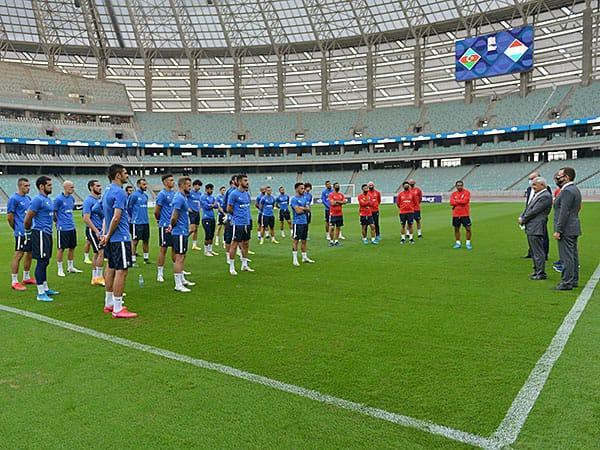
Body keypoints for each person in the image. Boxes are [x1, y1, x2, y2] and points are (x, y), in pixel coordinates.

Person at [100, 164, 137, 318]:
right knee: (122, 270)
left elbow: (105, 216)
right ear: (118, 175)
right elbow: (116, 217)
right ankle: (117, 307)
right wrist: (108, 235)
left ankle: (109, 302)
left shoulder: (107, 191)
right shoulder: (120, 192)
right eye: (125, 173)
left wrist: (104, 234)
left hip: (111, 238)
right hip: (120, 237)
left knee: (111, 268)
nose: (127, 175)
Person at [24, 176, 59, 302]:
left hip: (47, 233)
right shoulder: (37, 200)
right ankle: (40, 293)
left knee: (46, 261)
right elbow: (28, 218)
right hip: (40, 233)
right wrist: (28, 232)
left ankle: (45, 288)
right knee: (41, 261)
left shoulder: (48, 199)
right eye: (49, 185)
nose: (51, 187)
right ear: (41, 186)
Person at [553, 167, 582, 291]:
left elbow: (564, 212)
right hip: (573, 226)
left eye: (560, 175)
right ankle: (573, 280)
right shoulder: (574, 189)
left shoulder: (567, 191)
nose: (557, 177)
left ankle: (566, 282)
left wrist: (558, 230)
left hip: (566, 228)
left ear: (567, 177)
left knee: (567, 256)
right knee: (572, 255)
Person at [518, 177, 552, 280]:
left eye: (534, 185)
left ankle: (540, 273)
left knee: (537, 251)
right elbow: (529, 208)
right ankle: (537, 271)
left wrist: (523, 219)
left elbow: (534, 211)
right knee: (534, 250)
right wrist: (522, 216)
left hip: (536, 226)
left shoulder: (545, 196)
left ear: (542, 185)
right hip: (532, 225)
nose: (533, 187)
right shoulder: (539, 195)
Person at [7, 177, 36, 290]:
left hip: (30, 231)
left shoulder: (28, 198)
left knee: (30, 253)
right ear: (20, 186)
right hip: (21, 232)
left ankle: (26, 277)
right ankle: (14, 281)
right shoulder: (13, 199)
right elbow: (10, 217)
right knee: (19, 254)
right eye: (26, 186)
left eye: (29, 186)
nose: (28, 188)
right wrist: (16, 228)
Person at [171, 176, 196, 292]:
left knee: (182, 256)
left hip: (183, 231)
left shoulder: (183, 197)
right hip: (179, 231)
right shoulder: (179, 198)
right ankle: (178, 284)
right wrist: (173, 226)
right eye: (188, 185)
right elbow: (174, 217)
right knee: (179, 257)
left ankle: (182, 279)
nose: (190, 188)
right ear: (182, 185)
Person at [227, 174, 254, 275]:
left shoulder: (246, 194)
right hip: (237, 223)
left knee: (246, 244)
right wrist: (237, 216)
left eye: (247, 180)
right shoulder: (233, 194)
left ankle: (244, 265)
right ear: (239, 182)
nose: (247, 182)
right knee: (234, 244)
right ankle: (232, 267)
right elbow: (229, 208)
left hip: (246, 222)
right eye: (245, 180)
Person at [54, 180, 82, 277]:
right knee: (61, 248)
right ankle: (60, 269)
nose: (73, 189)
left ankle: (70, 267)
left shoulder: (72, 199)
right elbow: (54, 212)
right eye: (71, 187)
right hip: (63, 228)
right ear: (65, 187)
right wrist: (57, 223)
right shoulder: (58, 199)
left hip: (71, 226)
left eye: (73, 187)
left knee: (72, 247)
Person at [522, 171, 551, 259]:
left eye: (532, 178)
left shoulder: (546, 189)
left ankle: (544, 253)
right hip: (530, 214)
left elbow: (544, 204)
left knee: (542, 235)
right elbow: (529, 203)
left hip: (539, 216)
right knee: (531, 235)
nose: (531, 181)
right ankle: (531, 252)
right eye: (529, 179)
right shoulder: (529, 189)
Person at [82, 179, 105, 286]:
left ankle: (95, 277)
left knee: (97, 253)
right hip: (93, 230)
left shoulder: (99, 200)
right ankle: (99, 277)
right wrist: (96, 231)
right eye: (97, 186)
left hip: (99, 229)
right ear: (91, 187)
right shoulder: (88, 201)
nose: (100, 188)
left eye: (100, 186)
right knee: (101, 252)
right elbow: (86, 218)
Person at [155, 174, 175, 283]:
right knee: (164, 248)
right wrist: (160, 220)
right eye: (171, 180)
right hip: (165, 225)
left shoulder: (174, 193)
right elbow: (156, 211)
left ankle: (178, 270)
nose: (173, 182)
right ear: (165, 182)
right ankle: (160, 273)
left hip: (174, 225)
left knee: (175, 248)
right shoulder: (162, 194)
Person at [291, 182, 315, 266]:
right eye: (301, 188)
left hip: (305, 222)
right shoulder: (294, 199)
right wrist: (304, 209)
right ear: (296, 189)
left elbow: (309, 209)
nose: (303, 190)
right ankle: (294, 259)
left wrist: (302, 208)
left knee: (304, 240)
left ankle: (304, 257)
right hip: (297, 223)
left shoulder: (305, 198)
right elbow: (298, 211)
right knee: (296, 240)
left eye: (304, 188)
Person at [129, 178, 150, 266]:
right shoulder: (134, 195)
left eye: (146, 184)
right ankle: (133, 260)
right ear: (138, 185)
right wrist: (133, 218)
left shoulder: (145, 196)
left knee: (146, 241)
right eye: (143, 184)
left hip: (145, 222)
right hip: (136, 222)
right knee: (135, 241)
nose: (146, 186)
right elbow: (129, 208)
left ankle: (146, 259)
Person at [449, 180, 472, 250]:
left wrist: (456, 201)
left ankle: (468, 243)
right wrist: (460, 201)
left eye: (461, 185)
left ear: (463, 186)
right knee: (456, 229)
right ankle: (458, 243)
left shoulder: (467, 192)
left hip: (465, 214)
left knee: (468, 229)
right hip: (456, 215)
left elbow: (465, 201)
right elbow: (451, 203)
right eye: (458, 185)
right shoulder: (453, 194)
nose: (459, 187)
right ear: (456, 186)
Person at [200, 183, 219, 256]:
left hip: (212, 218)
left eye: (212, 189)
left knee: (212, 235)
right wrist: (212, 205)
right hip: (206, 218)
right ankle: (206, 251)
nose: (211, 191)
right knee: (207, 234)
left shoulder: (212, 197)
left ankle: (210, 250)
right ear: (207, 189)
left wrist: (212, 205)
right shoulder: (203, 197)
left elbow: (216, 206)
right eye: (210, 189)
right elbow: (206, 206)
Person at [328, 182, 347, 247]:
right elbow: (332, 203)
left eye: (338, 186)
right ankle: (331, 241)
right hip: (332, 214)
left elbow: (345, 202)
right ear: (334, 187)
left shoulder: (341, 195)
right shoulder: (331, 195)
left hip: (339, 214)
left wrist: (337, 201)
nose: (337, 187)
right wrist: (340, 202)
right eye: (336, 186)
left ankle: (336, 241)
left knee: (338, 227)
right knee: (332, 228)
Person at [188, 179, 203, 251]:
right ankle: (184, 238)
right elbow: (184, 199)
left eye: (200, 186)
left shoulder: (199, 193)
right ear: (194, 185)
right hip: (191, 212)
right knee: (192, 229)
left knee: (196, 229)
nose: (199, 187)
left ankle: (194, 245)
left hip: (197, 212)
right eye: (198, 185)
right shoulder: (190, 192)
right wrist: (187, 208)